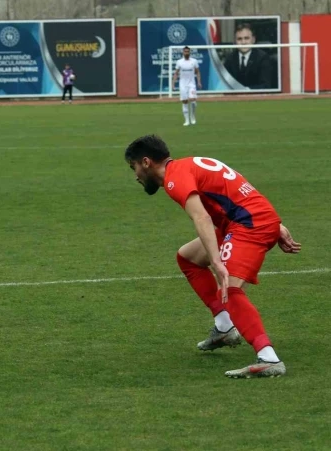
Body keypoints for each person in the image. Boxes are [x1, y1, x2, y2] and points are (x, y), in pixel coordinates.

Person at [124, 134, 301, 378]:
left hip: (249, 224)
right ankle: (224, 327)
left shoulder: (175, 179)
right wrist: (275, 224)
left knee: (229, 289)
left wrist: (217, 261)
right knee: (188, 258)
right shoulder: (189, 165)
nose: (135, 176)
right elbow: (238, 189)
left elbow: (202, 217)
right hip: (249, 220)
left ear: (146, 162)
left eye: (133, 167)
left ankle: (268, 358)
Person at [223, 23, 274, 90]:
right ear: (235, 42)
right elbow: (224, 84)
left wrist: (247, 90)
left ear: (253, 40)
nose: (243, 42)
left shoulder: (263, 58)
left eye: (246, 38)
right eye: (239, 39)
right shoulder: (229, 59)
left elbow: (265, 85)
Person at [171, 46, 202, 126]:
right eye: (185, 51)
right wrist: (173, 83)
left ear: (190, 52)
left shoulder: (194, 61)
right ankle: (187, 120)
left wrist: (199, 82)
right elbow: (176, 73)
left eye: (188, 51)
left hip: (192, 84)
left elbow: (198, 72)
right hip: (183, 84)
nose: (186, 53)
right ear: (183, 52)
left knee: (193, 101)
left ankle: (192, 116)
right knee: (184, 101)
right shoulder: (179, 62)